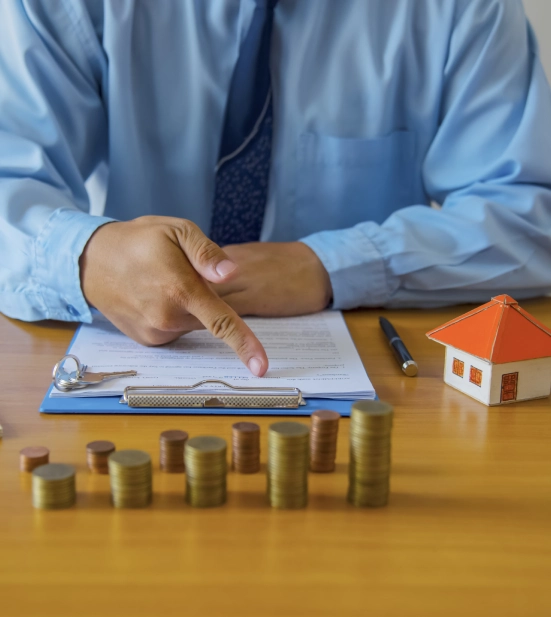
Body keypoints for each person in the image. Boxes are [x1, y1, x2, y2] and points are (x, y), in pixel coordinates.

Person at [1, 0, 550, 378]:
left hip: (374, 381)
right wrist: (87, 256)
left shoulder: (463, 9)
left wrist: (329, 264)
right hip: (134, 366)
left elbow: (531, 211)